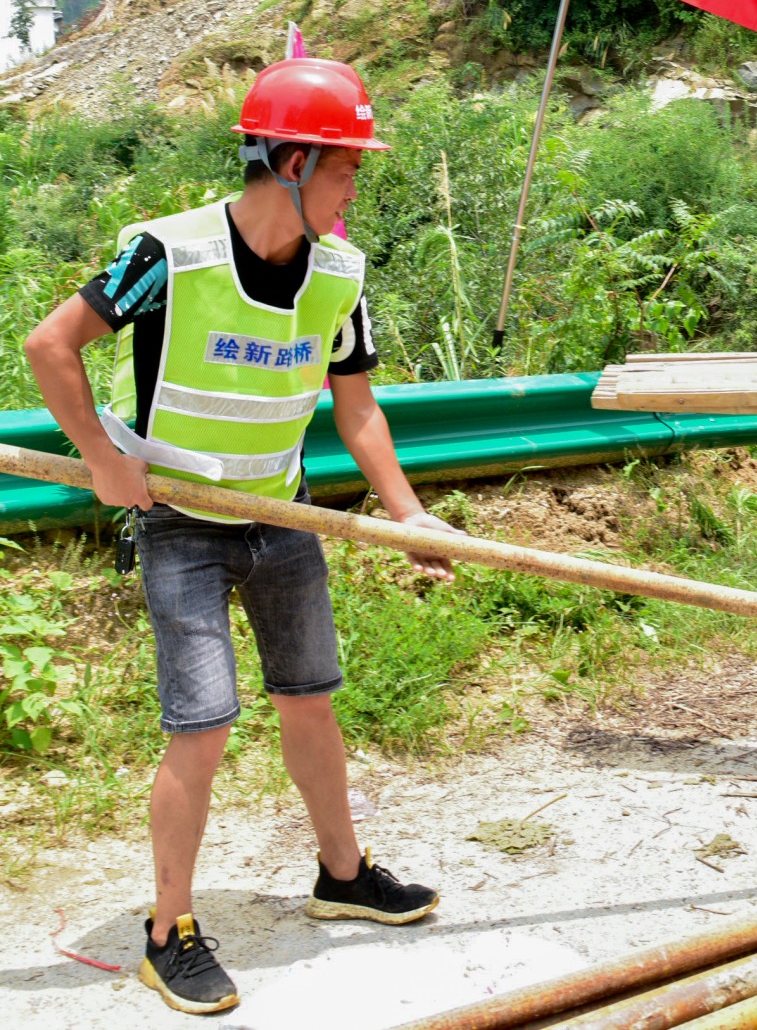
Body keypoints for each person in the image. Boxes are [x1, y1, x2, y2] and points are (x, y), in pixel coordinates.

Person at [26, 58, 457, 1017]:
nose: (355, 188)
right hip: (177, 522)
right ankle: (166, 932)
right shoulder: (166, 256)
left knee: (311, 698)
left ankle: (342, 875)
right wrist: (99, 451)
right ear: (295, 160)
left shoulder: (339, 275)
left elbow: (359, 412)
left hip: (281, 514)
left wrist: (407, 513)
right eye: (347, 167)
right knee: (204, 722)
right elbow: (52, 346)